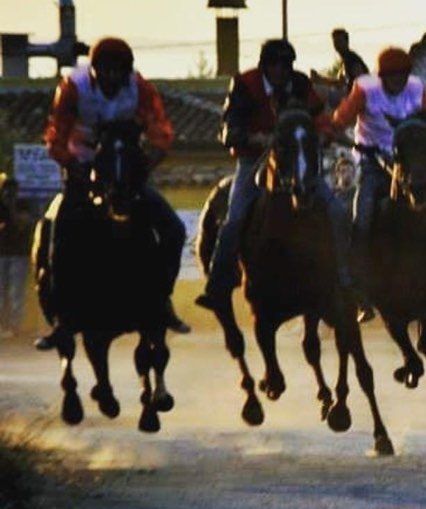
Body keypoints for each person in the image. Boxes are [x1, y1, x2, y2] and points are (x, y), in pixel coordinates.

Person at [36, 36, 190, 350]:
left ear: (126, 71)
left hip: (125, 170)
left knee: (174, 229)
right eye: (104, 70)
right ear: (93, 70)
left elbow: (161, 131)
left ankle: (162, 301)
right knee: (58, 231)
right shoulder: (72, 88)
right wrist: (71, 164)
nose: (110, 77)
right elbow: (55, 136)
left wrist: (149, 161)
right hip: (81, 167)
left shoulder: (141, 89)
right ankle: (63, 318)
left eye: (116, 70)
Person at [196, 39, 350, 309]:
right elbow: (228, 129)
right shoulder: (244, 85)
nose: (281, 70)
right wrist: (254, 137)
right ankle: (217, 285)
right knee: (233, 220)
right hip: (253, 160)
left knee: (337, 211)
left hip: (296, 158)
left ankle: (347, 282)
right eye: (275, 65)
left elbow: (321, 118)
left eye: (286, 65)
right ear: (264, 66)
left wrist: (324, 134)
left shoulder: (301, 84)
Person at [332, 46, 426, 321]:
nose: (397, 82)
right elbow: (340, 120)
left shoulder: (416, 88)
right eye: (391, 77)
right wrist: (346, 137)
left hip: (405, 163)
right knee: (362, 216)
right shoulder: (365, 90)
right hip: (372, 162)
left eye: (401, 76)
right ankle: (356, 287)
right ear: (381, 76)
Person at [0, 176, 33, 338]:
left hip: (18, 254)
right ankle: (3, 325)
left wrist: (12, 208)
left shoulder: (22, 205)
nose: (8, 193)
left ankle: (15, 326)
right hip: (2, 254)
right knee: (1, 292)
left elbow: (23, 224)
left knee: (15, 292)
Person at [311, 28, 369, 105]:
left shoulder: (351, 59)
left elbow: (359, 79)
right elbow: (340, 82)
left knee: (318, 89)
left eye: (340, 42)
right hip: (349, 93)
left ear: (347, 42)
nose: (337, 45)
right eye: (335, 42)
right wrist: (320, 79)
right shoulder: (344, 59)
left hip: (354, 96)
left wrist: (320, 80)